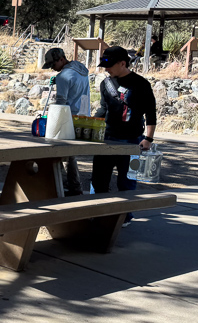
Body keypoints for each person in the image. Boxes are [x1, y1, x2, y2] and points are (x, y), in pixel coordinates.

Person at [91, 46, 157, 209]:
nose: (106, 69)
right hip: (106, 139)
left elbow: (150, 113)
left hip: (132, 141)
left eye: (109, 65)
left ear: (122, 63)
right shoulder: (105, 83)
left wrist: (148, 139)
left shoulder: (141, 84)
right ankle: (97, 212)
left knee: (127, 182)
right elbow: (103, 108)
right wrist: (90, 125)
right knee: (99, 181)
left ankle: (125, 216)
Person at [42, 47, 91, 196]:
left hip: (68, 117)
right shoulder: (80, 69)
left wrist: (52, 120)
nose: (52, 68)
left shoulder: (64, 76)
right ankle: (71, 185)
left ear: (61, 59)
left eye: (53, 64)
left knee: (63, 154)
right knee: (70, 154)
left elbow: (61, 102)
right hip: (83, 115)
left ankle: (73, 187)